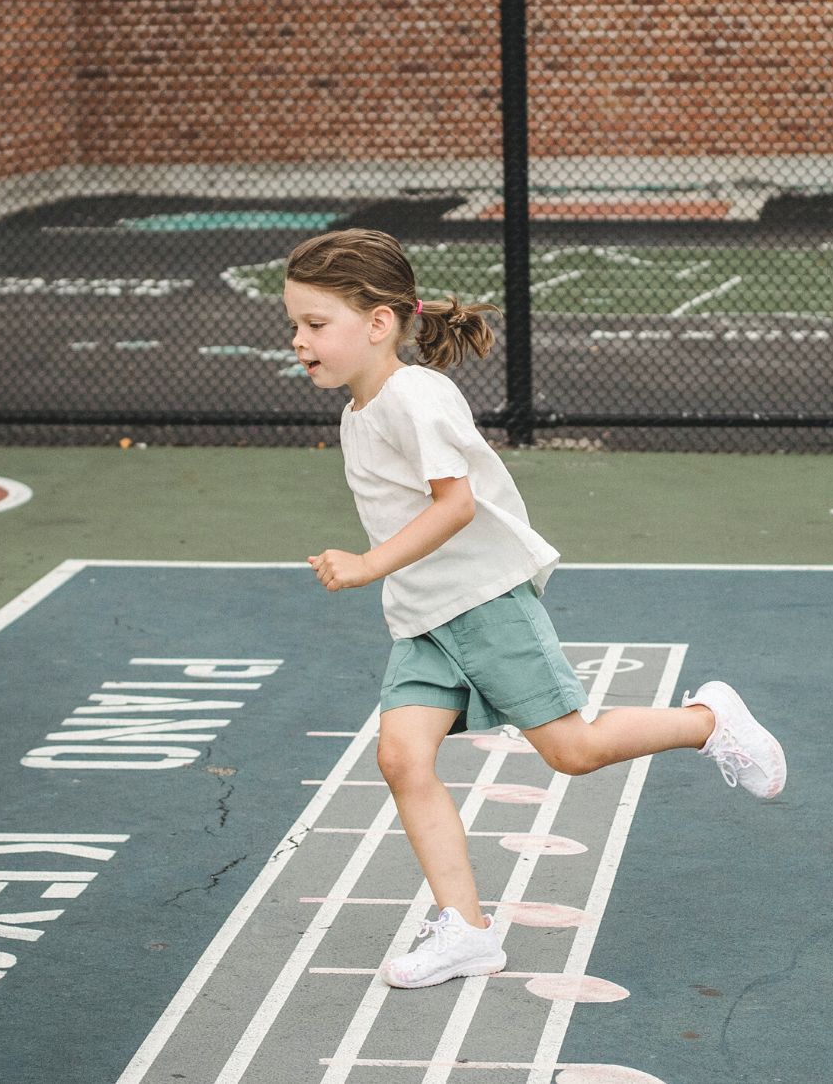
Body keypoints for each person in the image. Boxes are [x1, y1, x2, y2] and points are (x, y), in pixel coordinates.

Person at [283, 228, 786, 989]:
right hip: (425, 617)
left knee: (573, 752)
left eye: (316, 324)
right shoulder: (360, 411)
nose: (299, 340)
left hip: (482, 603)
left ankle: (707, 721)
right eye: (294, 324)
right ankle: (467, 931)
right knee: (401, 757)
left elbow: (456, 507)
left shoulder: (416, 397)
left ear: (379, 323)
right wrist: (390, 581)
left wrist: (368, 567)